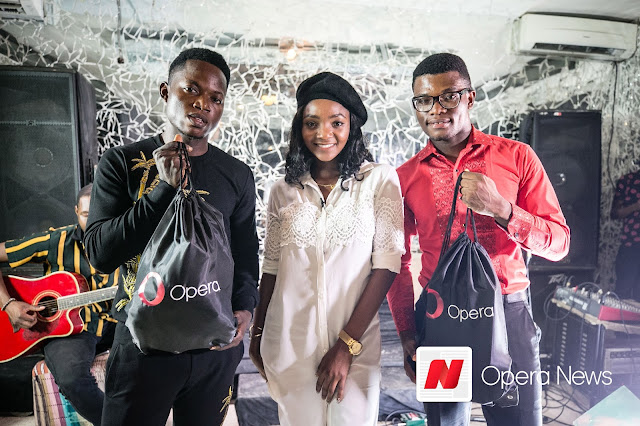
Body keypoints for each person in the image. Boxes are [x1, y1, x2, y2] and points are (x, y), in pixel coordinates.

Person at [386, 53, 570, 426]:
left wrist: (502, 209)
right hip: (440, 317)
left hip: (508, 316)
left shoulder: (518, 157)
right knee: (445, 422)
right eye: (424, 100)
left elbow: (559, 243)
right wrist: (407, 331)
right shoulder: (403, 177)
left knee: (516, 421)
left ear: (470, 97)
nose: (436, 109)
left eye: (449, 96)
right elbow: (397, 261)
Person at [83, 48, 259, 425]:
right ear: (166, 91)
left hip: (214, 345)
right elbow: (99, 254)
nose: (203, 104)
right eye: (191, 89)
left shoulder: (236, 174)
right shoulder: (122, 163)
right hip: (142, 347)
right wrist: (164, 188)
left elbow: (245, 252)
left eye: (216, 98)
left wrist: (245, 306)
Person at [249, 72, 405, 426]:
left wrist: (346, 346)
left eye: (336, 122)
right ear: (299, 128)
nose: (323, 133)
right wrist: (257, 337)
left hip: (356, 349)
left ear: (351, 127)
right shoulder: (282, 190)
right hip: (289, 347)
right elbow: (271, 269)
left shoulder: (378, 180)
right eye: (311, 123)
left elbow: (386, 267)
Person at [0, 184, 119, 425]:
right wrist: (8, 304)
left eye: (101, 214)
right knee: (72, 379)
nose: (94, 223)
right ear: (76, 212)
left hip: (118, 323)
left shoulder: (129, 242)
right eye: (86, 215)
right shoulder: (56, 241)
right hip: (67, 331)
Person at [611, 168, 640, 300]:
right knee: (623, 291)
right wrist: (636, 206)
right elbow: (615, 213)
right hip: (631, 245)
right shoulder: (628, 180)